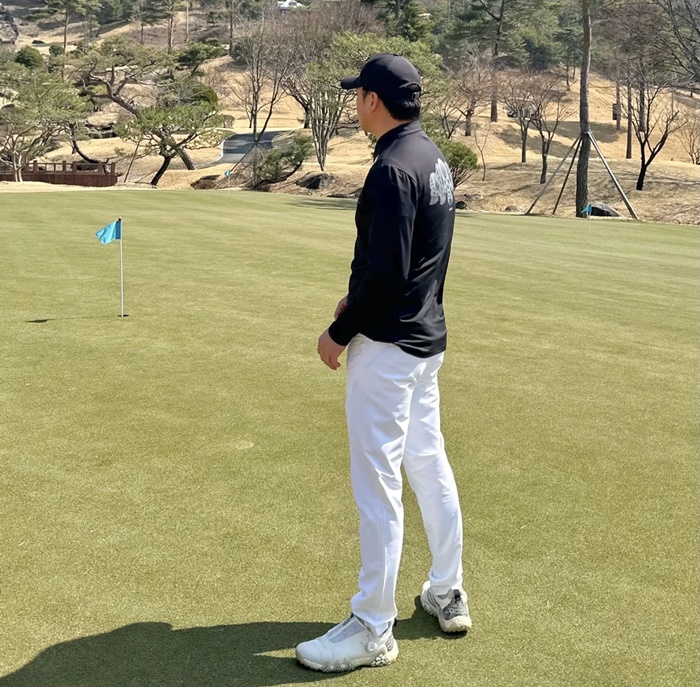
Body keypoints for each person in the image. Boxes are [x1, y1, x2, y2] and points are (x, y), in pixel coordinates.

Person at [296, 53, 471, 673]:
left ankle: (373, 626)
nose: (354, 103)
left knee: (378, 485)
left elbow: (391, 271)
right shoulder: (431, 157)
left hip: (390, 348)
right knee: (427, 463)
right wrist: (362, 297)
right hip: (424, 341)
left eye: (358, 95)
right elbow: (415, 260)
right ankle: (446, 588)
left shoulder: (392, 168)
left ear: (374, 100)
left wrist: (339, 331)